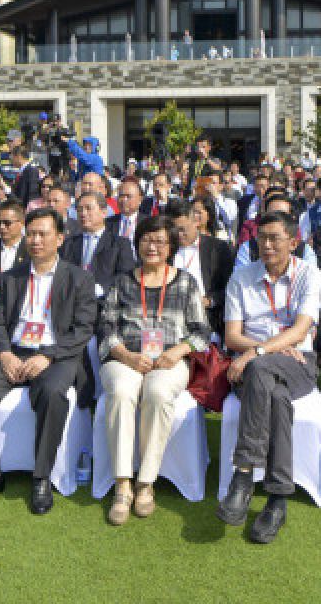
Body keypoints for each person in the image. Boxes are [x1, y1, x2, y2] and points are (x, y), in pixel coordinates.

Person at [0, 208, 96, 515]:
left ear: (59, 239)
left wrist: (47, 356)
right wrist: (4, 353)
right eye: (31, 234)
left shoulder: (79, 279)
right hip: (15, 351)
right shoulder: (11, 278)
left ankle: (42, 476)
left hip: (55, 353)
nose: (35, 240)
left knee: (51, 392)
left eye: (43, 234)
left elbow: (83, 329)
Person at [214, 211, 321, 544]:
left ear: (294, 242)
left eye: (275, 238)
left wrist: (257, 354)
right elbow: (232, 336)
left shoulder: (308, 274)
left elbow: (303, 329)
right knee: (274, 394)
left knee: (261, 369)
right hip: (255, 361)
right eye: (261, 237)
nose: (267, 244)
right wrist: (268, 349)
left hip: (297, 361)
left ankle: (244, 473)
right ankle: (277, 499)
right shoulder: (242, 277)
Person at [97, 215, 209, 525]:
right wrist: (126, 356)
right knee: (121, 390)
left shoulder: (186, 282)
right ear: (137, 243)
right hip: (125, 357)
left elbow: (202, 332)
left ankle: (145, 483)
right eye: (146, 239)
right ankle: (122, 484)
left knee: (158, 392)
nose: (152, 246)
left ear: (171, 246)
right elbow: (106, 329)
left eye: (160, 241)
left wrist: (177, 351)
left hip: (168, 360)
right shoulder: (122, 281)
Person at [166, 198, 232, 337]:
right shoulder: (165, 249)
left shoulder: (218, 249)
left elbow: (230, 288)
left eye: (182, 230)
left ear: (195, 222)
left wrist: (209, 301)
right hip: (169, 315)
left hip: (206, 315)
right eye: (173, 230)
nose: (178, 235)